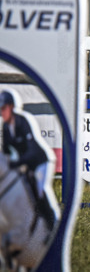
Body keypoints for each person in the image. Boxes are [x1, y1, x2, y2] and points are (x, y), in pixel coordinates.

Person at [1, 89, 57, 229]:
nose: (2, 113)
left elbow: (32, 151)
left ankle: (52, 223)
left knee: (40, 190)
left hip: (40, 162)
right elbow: (6, 150)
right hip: (26, 164)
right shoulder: (6, 127)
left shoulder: (23, 121)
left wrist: (17, 162)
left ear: (11, 107)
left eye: (3, 108)